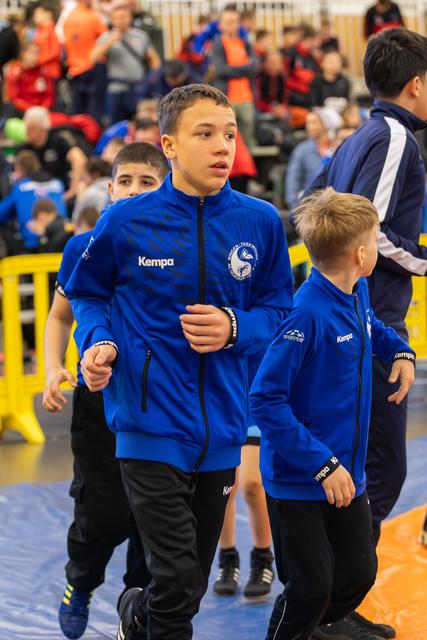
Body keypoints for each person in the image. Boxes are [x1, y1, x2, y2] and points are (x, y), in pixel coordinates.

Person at [65, 83, 293, 640]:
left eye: (230, 134)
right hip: (147, 425)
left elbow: (279, 311)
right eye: (205, 133)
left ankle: (132, 616)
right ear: (168, 144)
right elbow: (87, 295)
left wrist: (235, 327)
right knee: (177, 574)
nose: (223, 146)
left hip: (222, 427)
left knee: (183, 585)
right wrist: (97, 342)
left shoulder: (260, 221)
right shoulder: (125, 222)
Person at [302, 28, 427, 639]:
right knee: (379, 466)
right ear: (417, 83)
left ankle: (332, 604)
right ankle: (327, 605)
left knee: (354, 463)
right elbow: (366, 233)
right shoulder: (396, 137)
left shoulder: (357, 135)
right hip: (365, 320)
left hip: (344, 316)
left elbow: (310, 204)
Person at [251, 187, 416, 640]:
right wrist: (322, 466)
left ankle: (319, 630)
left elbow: (373, 329)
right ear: (362, 253)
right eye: (377, 238)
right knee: (309, 588)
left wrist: (400, 351)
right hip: (301, 480)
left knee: (359, 574)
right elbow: (265, 400)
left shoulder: (356, 288)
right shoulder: (305, 316)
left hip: (349, 473)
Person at [43, 142, 169, 640]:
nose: (134, 190)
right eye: (126, 181)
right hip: (98, 400)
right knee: (102, 511)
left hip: (159, 397)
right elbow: (59, 315)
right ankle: (81, 580)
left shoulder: (180, 246)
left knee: (152, 516)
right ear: (109, 187)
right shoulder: (83, 245)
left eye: (147, 182)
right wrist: (53, 366)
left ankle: (139, 611)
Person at [213, 429, 274, 598]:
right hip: (225, 413)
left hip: (252, 413)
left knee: (252, 485)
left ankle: (263, 558)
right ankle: (227, 559)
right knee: (224, 487)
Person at [91, 3, 160, 125]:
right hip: (116, 88)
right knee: (116, 124)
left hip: (138, 88)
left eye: (123, 17)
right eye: (116, 18)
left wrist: (151, 79)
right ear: (111, 20)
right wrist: (109, 42)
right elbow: (93, 58)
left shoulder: (140, 36)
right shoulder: (106, 37)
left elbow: (155, 60)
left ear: (130, 18)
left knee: (140, 123)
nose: (120, 21)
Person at [0, 150, 66, 256]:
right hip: (61, 243)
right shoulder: (58, 184)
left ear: (18, 169)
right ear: (38, 165)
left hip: (31, 248)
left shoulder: (20, 187)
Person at [212, 6, 257, 148]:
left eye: (235, 21)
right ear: (221, 25)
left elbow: (255, 66)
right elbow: (221, 70)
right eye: (229, 21)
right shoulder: (218, 43)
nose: (233, 25)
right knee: (227, 142)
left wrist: (234, 69)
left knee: (247, 144)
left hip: (246, 98)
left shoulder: (244, 43)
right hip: (227, 98)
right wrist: (245, 68)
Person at [20, 106, 87, 202]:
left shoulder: (58, 141)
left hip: (58, 192)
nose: (27, 132)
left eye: (31, 128)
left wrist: (72, 191)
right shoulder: (24, 148)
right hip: (33, 195)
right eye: (26, 127)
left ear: (43, 128)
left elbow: (79, 159)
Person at [285, 108, 339, 210]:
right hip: (310, 208)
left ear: (325, 124)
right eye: (308, 123)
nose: (309, 127)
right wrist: (296, 209)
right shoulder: (301, 150)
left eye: (314, 122)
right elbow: (292, 181)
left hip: (335, 206)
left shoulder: (337, 148)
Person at [63, 0, 107, 122]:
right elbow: (105, 38)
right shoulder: (92, 17)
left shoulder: (68, 18)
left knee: (77, 110)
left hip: (75, 69)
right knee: (94, 110)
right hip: (92, 67)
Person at [5, 42, 55, 114]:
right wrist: (32, 110)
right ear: (23, 54)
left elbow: (49, 95)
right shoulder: (15, 73)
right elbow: (14, 99)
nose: (36, 57)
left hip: (42, 112)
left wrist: (43, 109)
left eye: (38, 53)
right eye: (32, 53)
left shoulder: (44, 72)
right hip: (22, 112)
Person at [72, 157, 111, 222]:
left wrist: (79, 197)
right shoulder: (115, 187)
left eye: (85, 173)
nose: (82, 177)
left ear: (95, 174)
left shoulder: (90, 192)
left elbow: (76, 219)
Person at [32, 4, 62, 81]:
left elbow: (56, 52)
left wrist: (37, 60)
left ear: (48, 14)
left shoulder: (51, 31)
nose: (35, 16)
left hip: (50, 72)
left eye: (38, 13)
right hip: (41, 71)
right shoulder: (40, 31)